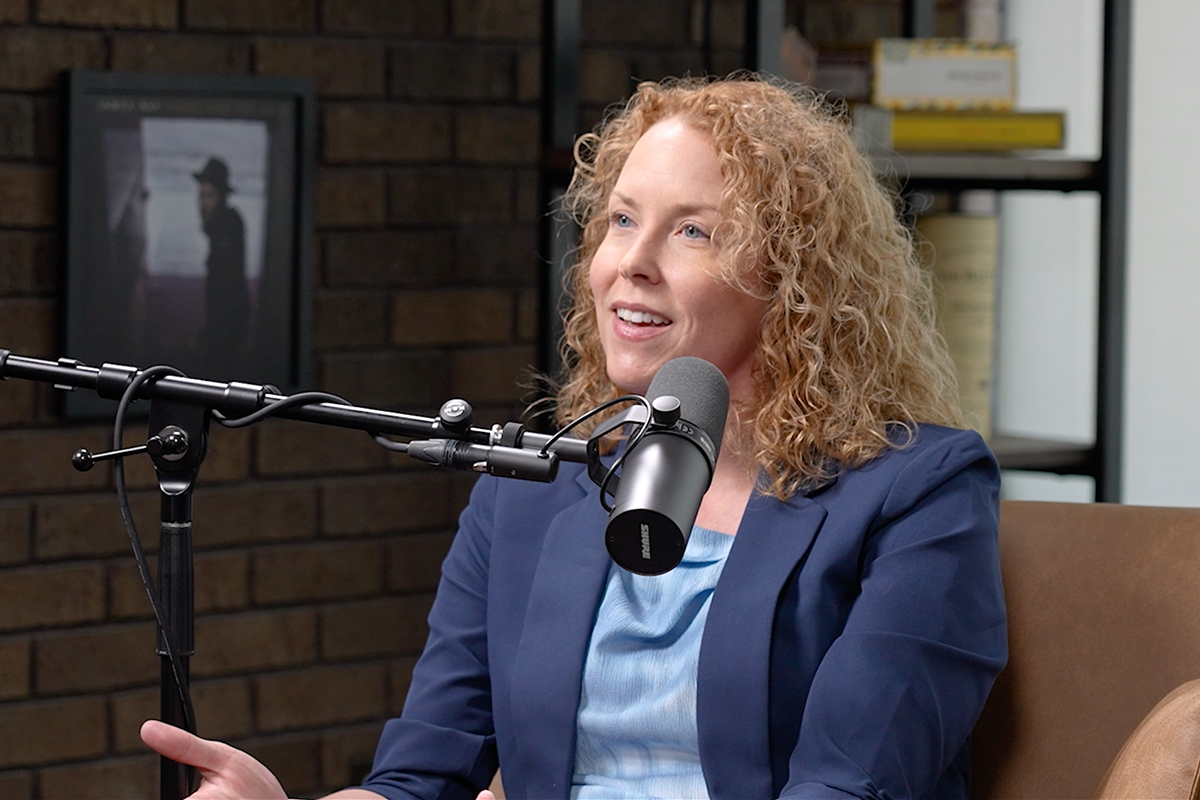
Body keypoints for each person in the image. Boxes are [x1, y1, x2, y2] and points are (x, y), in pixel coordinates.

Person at [141, 75, 1007, 800]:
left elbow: (848, 786)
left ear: (794, 279)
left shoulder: (919, 491)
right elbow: (420, 779)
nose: (632, 260)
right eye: (622, 220)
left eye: (692, 230)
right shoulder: (532, 486)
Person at [192, 156, 252, 374]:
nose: (202, 203)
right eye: (201, 196)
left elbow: (227, 285)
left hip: (229, 318)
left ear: (222, 197)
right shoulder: (224, 226)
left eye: (209, 196)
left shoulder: (227, 226)